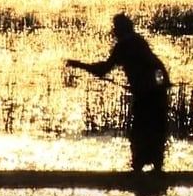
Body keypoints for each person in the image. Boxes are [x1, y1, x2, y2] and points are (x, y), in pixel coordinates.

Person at [66, 13, 171, 172]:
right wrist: (162, 84)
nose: (113, 31)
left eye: (115, 28)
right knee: (154, 131)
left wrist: (79, 65)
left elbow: (103, 70)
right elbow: (157, 65)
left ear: (121, 29)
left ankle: (140, 171)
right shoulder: (138, 41)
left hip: (147, 96)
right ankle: (155, 170)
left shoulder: (125, 45)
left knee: (140, 132)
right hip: (154, 94)